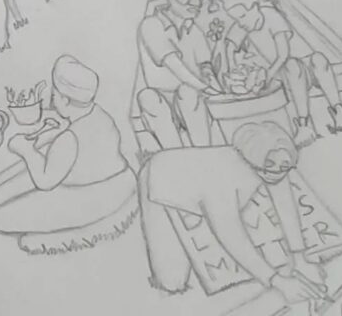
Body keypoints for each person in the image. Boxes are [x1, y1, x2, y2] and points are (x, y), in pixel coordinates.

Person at [139, 121, 327, 304]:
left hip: (197, 188)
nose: (277, 172)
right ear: (252, 159)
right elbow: (231, 235)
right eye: (269, 165)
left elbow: (286, 207)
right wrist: (277, 281)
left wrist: (301, 260)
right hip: (158, 182)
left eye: (284, 166)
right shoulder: (224, 179)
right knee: (172, 283)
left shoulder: (275, 159)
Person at [0, 55, 136, 252]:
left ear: (65, 100)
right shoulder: (101, 115)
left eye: (54, 95)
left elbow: (45, 181)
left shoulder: (68, 139)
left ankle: (65, 235)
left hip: (92, 197)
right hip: (124, 183)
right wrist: (54, 133)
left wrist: (25, 150)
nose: (51, 100)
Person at [222, 0, 342, 146]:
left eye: (242, 17)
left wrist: (268, 75)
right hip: (279, 75)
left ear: (254, 7)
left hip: (283, 69)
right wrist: (234, 72)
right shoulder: (243, 24)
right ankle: (304, 126)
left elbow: (283, 54)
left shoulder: (272, 17)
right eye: (236, 19)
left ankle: (340, 113)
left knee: (319, 59)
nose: (240, 23)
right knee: (292, 66)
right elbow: (229, 46)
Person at [136, 0, 221, 148]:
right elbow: (173, 64)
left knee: (188, 92)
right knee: (148, 97)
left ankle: (205, 152)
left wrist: (218, 90)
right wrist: (206, 88)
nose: (195, 2)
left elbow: (206, 68)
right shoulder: (151, 25)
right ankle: (175, 154)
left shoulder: (195, 31)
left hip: (193, 100)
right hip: (163, 101)